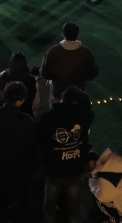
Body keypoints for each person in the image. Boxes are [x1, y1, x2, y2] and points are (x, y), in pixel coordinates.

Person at [38, 86, 94, 223]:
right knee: (73, 206)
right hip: (74, 167)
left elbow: (40, 140)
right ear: (75, 101)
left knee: (50, 206)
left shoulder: (47, 115)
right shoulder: (82, 115)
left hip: (54, 168)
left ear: (62, 98)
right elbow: (90, 112)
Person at [0, 81, 41, 223]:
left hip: (0, 162)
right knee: (24, 198)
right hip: (20, 165)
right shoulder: (26, 121)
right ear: (21, 100)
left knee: (1, 196)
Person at [40, 22, 99, 101]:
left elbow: (44, 73)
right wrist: (81, 78)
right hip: (78, 95)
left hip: (58, 94)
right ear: (77, 34)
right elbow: (93, 73)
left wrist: (56, 78)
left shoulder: (53, 51)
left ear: (63, 34)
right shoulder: (86, 52)